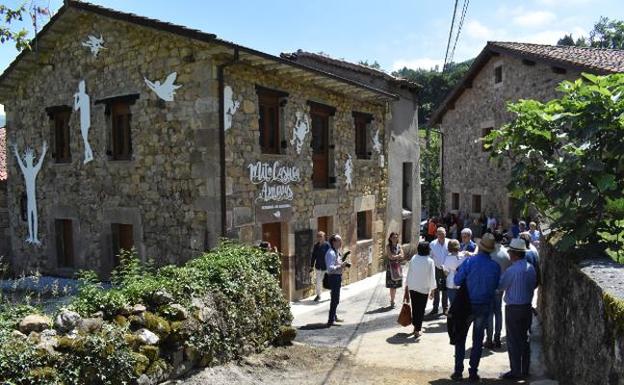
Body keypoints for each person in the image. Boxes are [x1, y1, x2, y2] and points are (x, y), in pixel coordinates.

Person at [451, 233, 501, 382]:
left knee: (461, 338)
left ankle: (458, 371)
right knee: (478, 340)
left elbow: (457, 280)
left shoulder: (469, 262)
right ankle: (473, 372)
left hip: (466, 304)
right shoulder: (495, 267)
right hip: (484, 305)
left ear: (479, 247)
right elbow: (496, 286)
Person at [499, 238, 537, 380]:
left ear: (514, 254)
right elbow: (533, 285)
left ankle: (515, 370)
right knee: (525, 339)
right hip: (526, 307)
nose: (508, 254)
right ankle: (525, 369)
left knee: (513, 340)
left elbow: (501, 286)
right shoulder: (530, 268)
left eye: (510, 252)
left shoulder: (512, 270)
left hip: (514, 308)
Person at [485, 231, 512, 349]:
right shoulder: (507, 253)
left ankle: (489, 339)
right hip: (501, 287)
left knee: (490, 313)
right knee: (498, 312)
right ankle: (497, 337)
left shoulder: (490, 253)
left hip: (490, 287)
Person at [404, 241, 436, 338]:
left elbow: (409, 273)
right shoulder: (430, 261)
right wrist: (433, 290)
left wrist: (407, 287)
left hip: (413, 287)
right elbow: (432, 276)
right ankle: (417, 329)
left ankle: (415, 326)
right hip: (423, 288)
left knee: (415, 307)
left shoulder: (414, 258)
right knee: (421, 309)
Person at [325, 234, 350, 327]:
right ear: (334, 242)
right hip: (333, 277)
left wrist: (343, 263)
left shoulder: (337, 251)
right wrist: (341, 266)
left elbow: (337, 262)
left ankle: (334, 316)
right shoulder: (331, 253)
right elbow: (330, 268)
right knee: (335, 299)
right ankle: (330, 320)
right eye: (339, 241)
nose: (341, 242)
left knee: (336, 299)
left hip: (337, 277)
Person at [429, 227, 449, 315]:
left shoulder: (450, 243)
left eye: (442, 233)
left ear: (445, 233)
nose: (441, 235)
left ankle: (445, 308)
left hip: (447, 269)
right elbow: (430, 257)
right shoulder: (432, 244)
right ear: (436, 234)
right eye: (439, 233)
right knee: (436, 288)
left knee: (445, 289)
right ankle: (435, 308)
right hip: (436, 268)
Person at [442, 239, 465, 305]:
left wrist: (443, 267)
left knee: (453, 304)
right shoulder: (464, 256)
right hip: (461, 283)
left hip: (451, 283)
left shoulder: (448, 258)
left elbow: (446, 273)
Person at [385, 232, 404, 308]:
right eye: (393, 237)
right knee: (392, 286)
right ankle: (392, 301)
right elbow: (390, 257)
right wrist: (398, 256)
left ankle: (393, 299)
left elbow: (402, 256)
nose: (395, 239)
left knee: (395, 286)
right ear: (390, 238)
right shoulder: (388, 246)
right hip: (391, 268)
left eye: (396, 237)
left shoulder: (399, 246)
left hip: (398, 267)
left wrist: (396, 256)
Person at [310, 231, 329, 302]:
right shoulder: (316, 246)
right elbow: (313, 256)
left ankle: (332, 292)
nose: (319, 238)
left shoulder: (327, 245)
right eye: (318, 236)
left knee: (329, 281)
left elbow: (331, 255)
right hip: (318, 266)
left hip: (326, 267)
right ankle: (318, 295)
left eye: (321, 236)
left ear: (324, 237)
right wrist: (311, 266)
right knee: (318, 281)